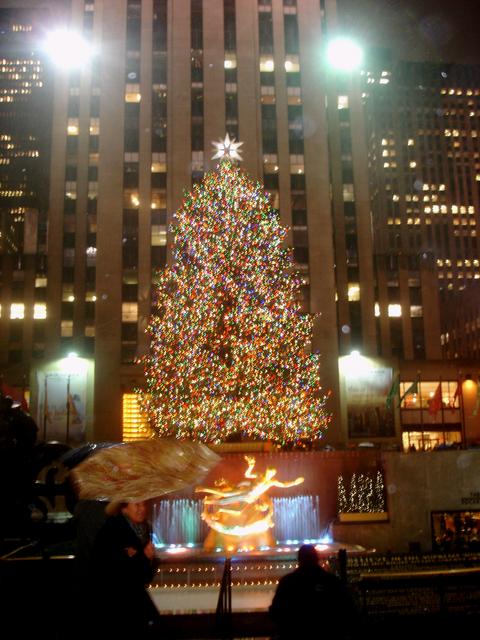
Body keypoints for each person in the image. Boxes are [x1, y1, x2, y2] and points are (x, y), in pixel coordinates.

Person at [89, 500, 160, 638]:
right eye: (137, 505)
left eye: (143, 504)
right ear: (124, 509)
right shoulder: (113, 530)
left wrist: (149, 559)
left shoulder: (144, 529)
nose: (142, 509)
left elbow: (144, 577)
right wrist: (143, 557)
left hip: (131, 604)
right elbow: (114, 571)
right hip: (115, 605)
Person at [269, 544, 358, 639]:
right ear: (317, 558)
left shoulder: (287, 582)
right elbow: (348, 608)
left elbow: (276, 612)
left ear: (299, 559)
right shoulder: (331, 581)